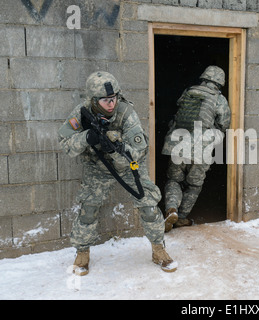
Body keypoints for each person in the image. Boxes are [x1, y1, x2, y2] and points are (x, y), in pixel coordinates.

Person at [59, 71, 177, 275]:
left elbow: (139, 149)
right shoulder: (81, 113)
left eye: (113, 99)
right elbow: (65, 143)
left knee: (148, 205)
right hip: (97, 168)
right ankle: (82, 253)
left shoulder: (125, 112)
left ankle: (159, 249)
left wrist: (116, 147)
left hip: (128, 167)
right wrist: (87, 137)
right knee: (88, 210)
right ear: (94, 100)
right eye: (105, 100)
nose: (111, 104)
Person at [162, 66, 231, 232]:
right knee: (194, 185)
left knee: (174, 180)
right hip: (201, 148)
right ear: (220, 82)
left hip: (178, 144)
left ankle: (171, 208)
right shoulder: (219, 99)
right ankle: (182, 217)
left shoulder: (189, 91)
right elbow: (224, 124)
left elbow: (178, 110)